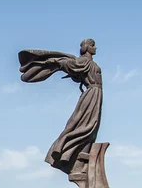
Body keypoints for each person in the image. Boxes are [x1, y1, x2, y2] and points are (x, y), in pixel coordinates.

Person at [19, 39, 102, 175]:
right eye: (93, 45)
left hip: (95, 94)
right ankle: (63, 152)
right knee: (86, 125)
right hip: (91, 94)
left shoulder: (89, 63)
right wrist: (52, 62)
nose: (95, 48)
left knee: (91, 127)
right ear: (87, 47)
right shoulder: (83, 61)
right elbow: (67, 63)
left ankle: (81, 158)